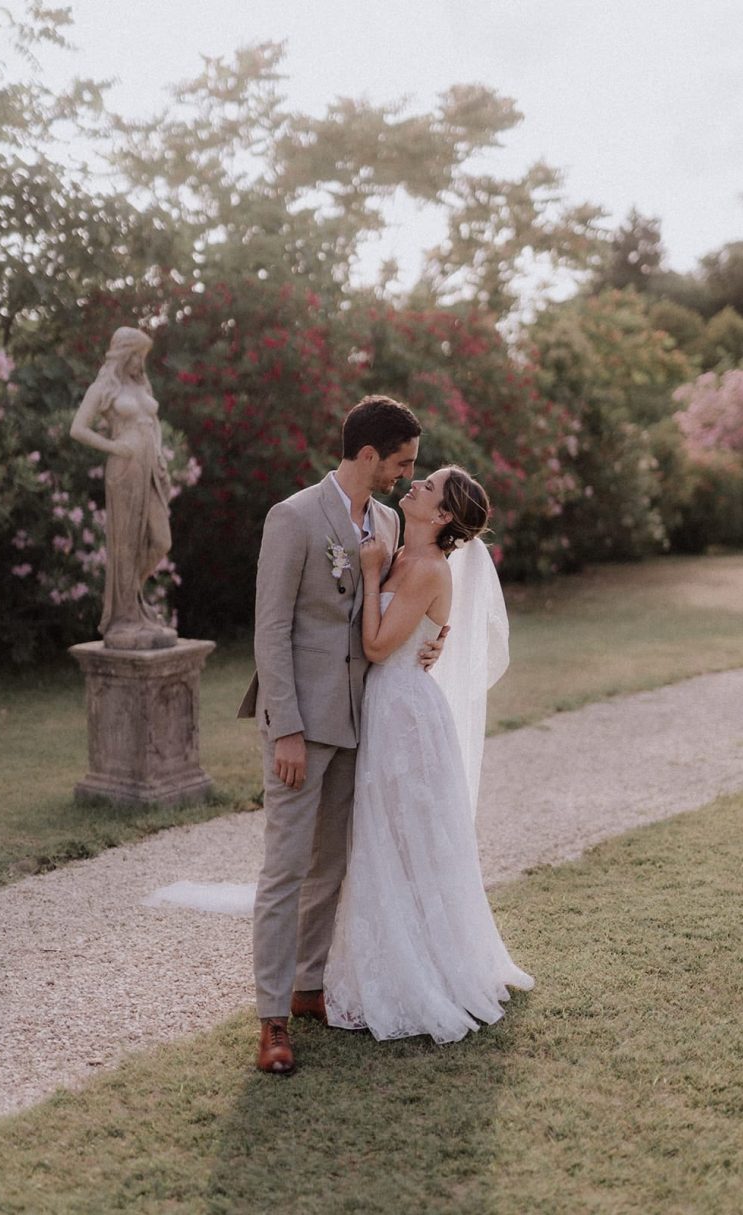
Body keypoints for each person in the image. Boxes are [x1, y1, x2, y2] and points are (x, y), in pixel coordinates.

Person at [237, 395, 446, 1075]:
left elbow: (410, 593)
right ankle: (271, 1019)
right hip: (303, 728)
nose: (406, 474)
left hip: (365, 724)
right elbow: (271, 630)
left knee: (332, 865)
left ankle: (306, 986)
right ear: (368, 455)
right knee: (285, 869)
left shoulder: (387, 520)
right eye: (402, 461)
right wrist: (286, 728)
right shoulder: (294, 517)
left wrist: (436, 636)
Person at [323, 466, 534, 1042]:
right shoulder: (394, 544)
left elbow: (376, 645)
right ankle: (386, 952)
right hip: (388, 704)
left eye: (429, 486)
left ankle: (417, 969)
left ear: (442, 516)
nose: (414, 485)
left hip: (403, 715)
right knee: (382, 833)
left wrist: (371, 577)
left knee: (402, 835)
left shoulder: (427, 568)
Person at [70, 326, 176, 650]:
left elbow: (153, 424)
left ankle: (130, 602)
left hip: (151, 468)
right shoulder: (104, 387)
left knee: (160, 541)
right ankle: (123, 617)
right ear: (123, 353)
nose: (140, 363)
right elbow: (78, 428)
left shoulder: (141, 384)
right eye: (136, 355)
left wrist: (159, 454)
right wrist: (115, 448)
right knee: (126, 543)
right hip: (126, 468)